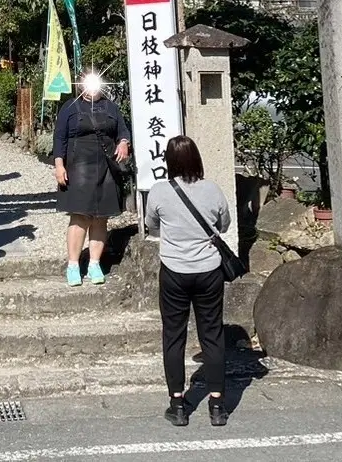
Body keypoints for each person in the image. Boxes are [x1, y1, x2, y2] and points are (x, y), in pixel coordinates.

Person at [145, 135, 231, 429]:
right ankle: (218, 404)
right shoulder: (213, 190)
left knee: (173, 335)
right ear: (197, 159)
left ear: (169, 162)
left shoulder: (159, 192)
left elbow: (151, 225)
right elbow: (224, 224)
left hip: (174, 270)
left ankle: (178, 403)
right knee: (212, 334)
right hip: (209, 270)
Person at [53, 85, 130, 286]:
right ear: (80, 84)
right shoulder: (70, 107)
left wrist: (123, 143)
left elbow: (123, 130)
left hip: (106, 165)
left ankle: (95, 263)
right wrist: (59, 165)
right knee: (80, 216)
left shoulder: (111, 107)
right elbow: (59, 138)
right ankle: (73, 265)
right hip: (78, 166)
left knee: (100, 217)